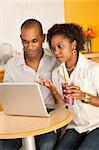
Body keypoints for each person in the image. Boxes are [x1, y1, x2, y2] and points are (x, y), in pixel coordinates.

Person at [38, 23, 99, 150]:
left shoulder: (93, 69)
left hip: (96, 125)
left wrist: (84, 96)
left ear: (74, 45)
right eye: (53, 48)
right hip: (75, 127)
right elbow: (63, 106)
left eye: (60, 47)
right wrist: (53, 90)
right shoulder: (57, 73)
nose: (56, 52)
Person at [0, 19, 59, 150]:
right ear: (21, 39)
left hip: (49, 117)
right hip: (20, 118)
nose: (30, 46)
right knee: (2, 145)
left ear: (43, 38)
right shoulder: (12, 65)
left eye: (34, 41)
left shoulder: (55, 60)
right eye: (25, 42)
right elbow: (8, 98)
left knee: (45, 146)